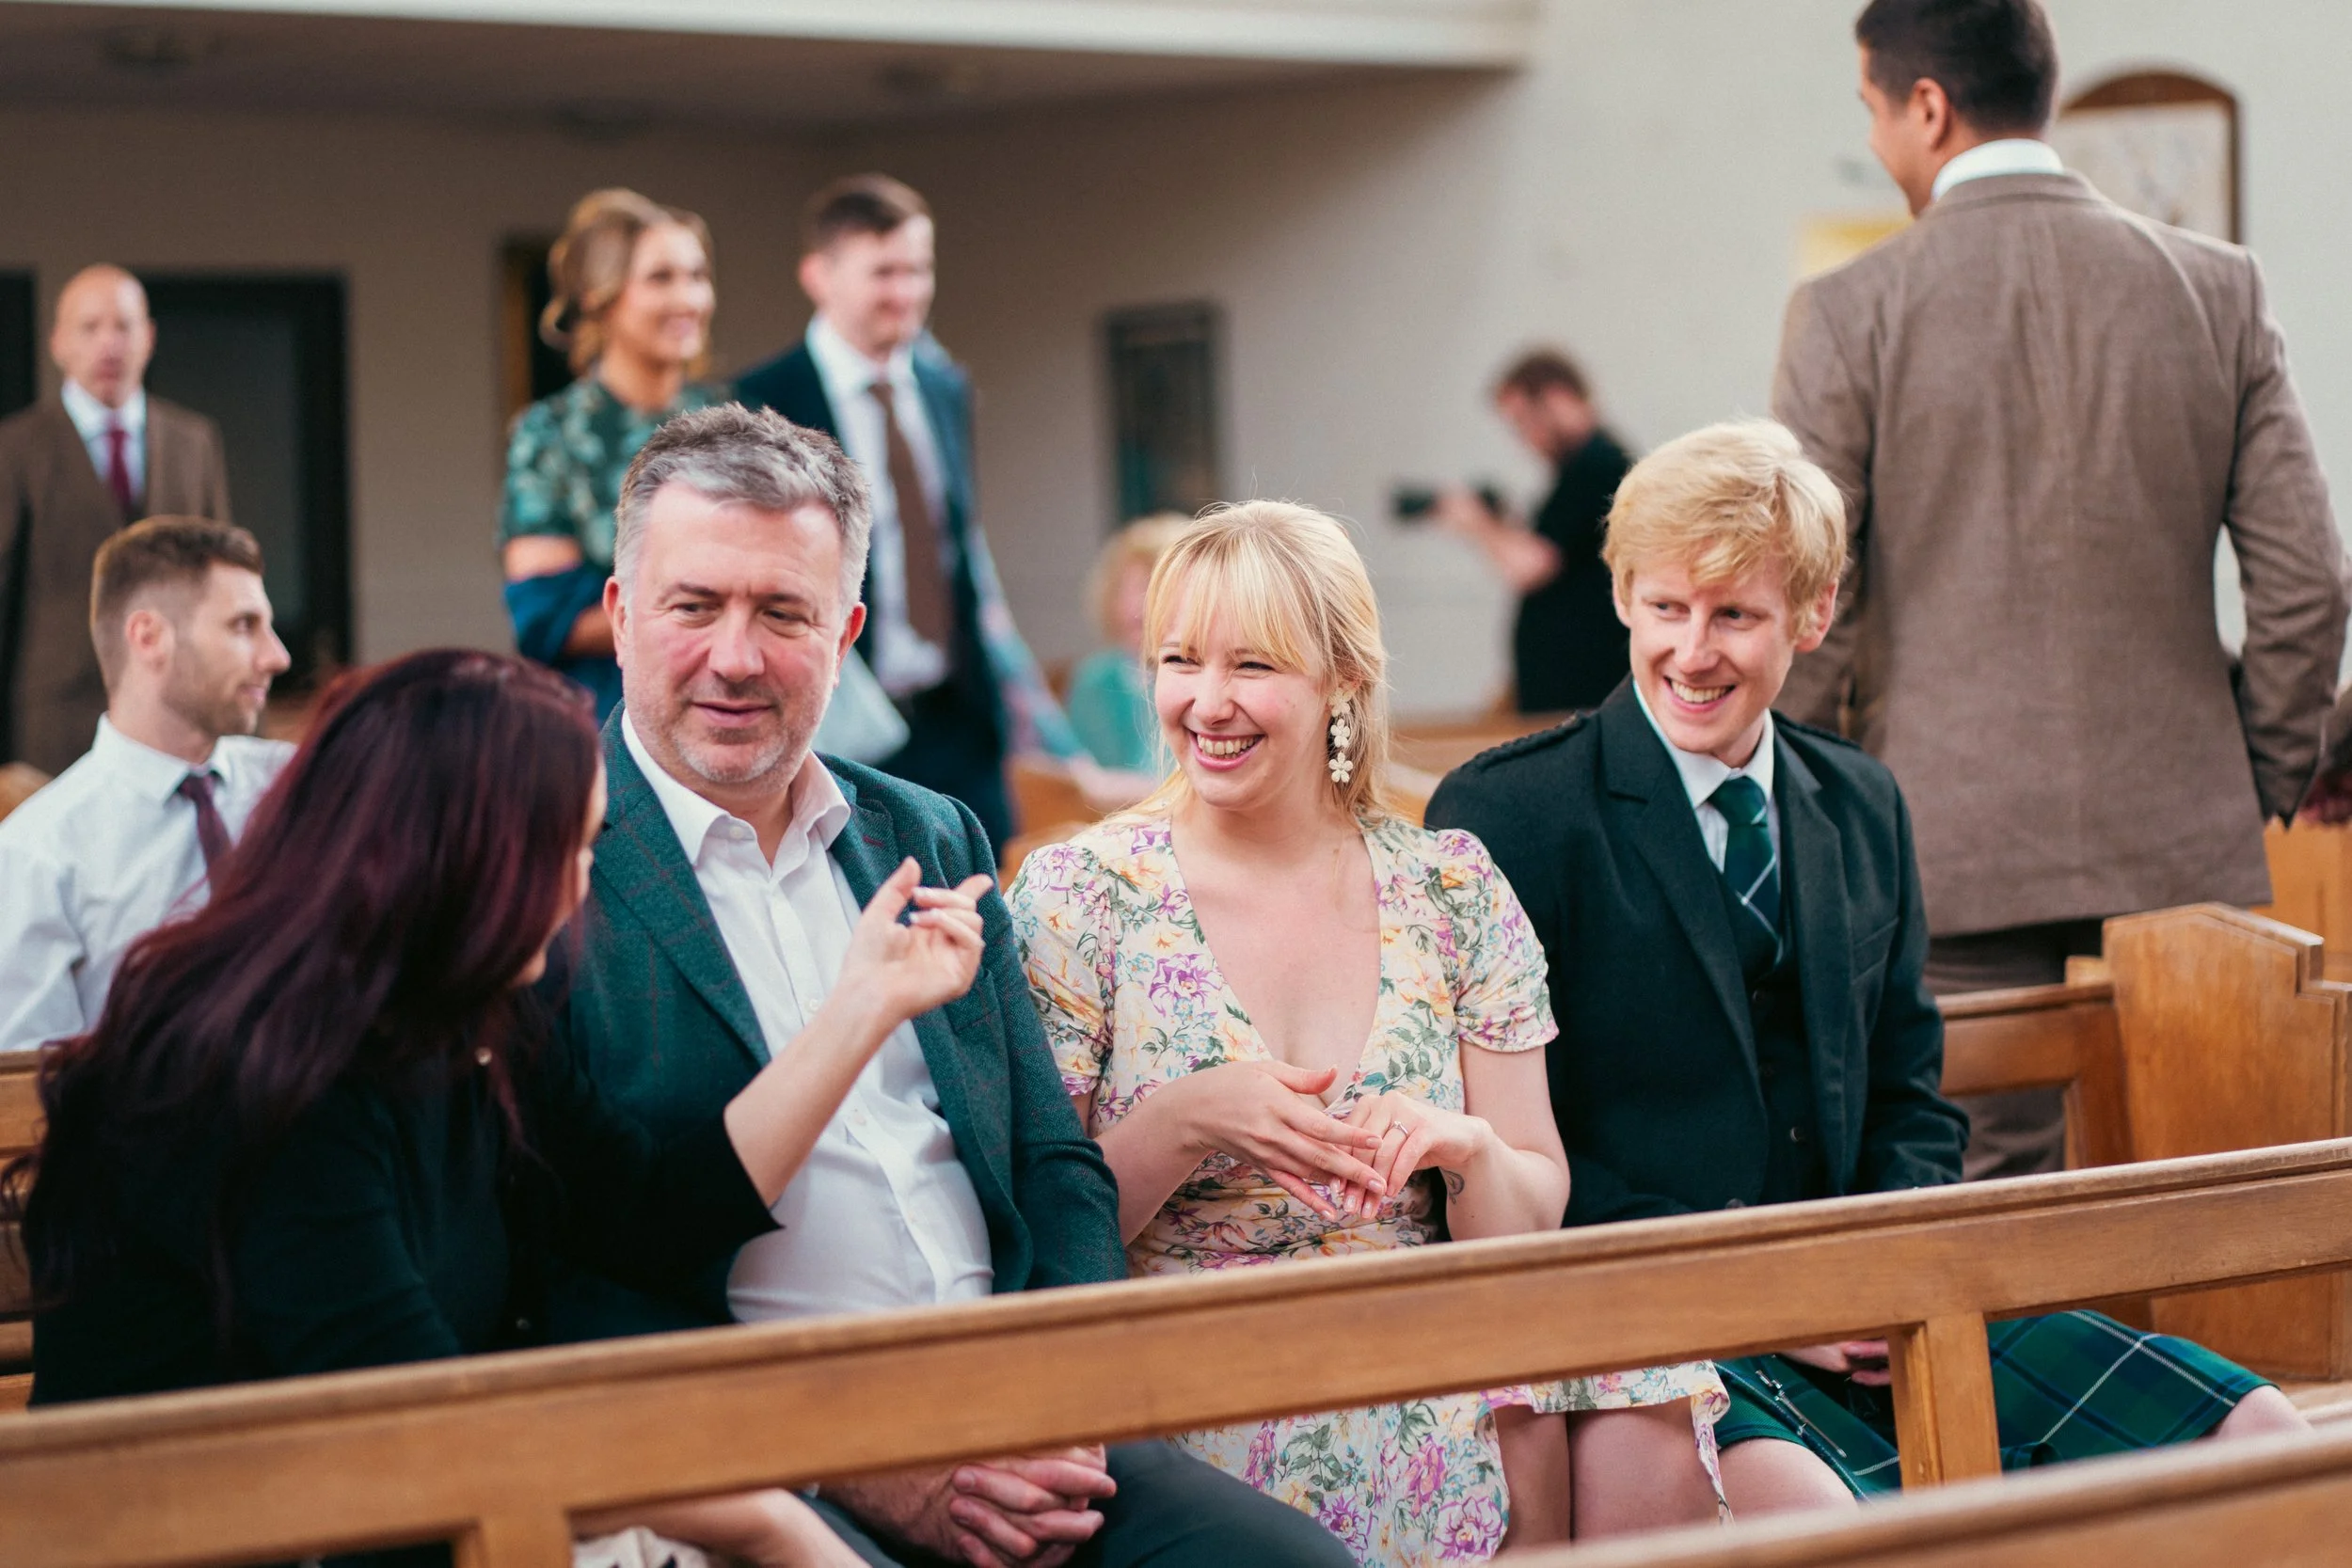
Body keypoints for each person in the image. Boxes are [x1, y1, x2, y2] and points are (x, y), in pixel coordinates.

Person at [1425, 418, 2309, 1518]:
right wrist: (1776, 1294)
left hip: (1881, 1306)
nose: (1692, 651)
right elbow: (1512, 1152)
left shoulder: (1860, 802)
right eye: (1666, 608)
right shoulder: (1508, 814)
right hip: (1658, 1331)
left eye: (1734, 614)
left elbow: (1909, 1092)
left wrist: (1891, 1279)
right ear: (1620, 597)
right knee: (1831, 1524)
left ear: (1813, 610)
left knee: (2259, 1438)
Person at [542, 404, 1352, 1568]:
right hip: (750, 1462)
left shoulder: (924, 830)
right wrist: (857, 1459)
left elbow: (1052, 1161)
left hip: (1022, 1408)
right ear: (621, 616)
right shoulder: (556, 860)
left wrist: (1064, 1404)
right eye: (693, 604)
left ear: (848, 631)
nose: (735, 655)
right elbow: (575, 1263)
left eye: (783, 612)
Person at [1, 645, 1012, 1564]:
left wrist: (864, 1005)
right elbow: (425, 1436)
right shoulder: (262, 1084)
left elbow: (649, 1212)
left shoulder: (470, 1020)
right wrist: (768, 1516)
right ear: (453, 860)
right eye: (564, 854)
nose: (583, 894)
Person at [1008, 501, 1725, 1560]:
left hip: (1422, 1316)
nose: (1206, 702)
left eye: (1251, 664)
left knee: (1631, 1359)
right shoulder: (1081, 894)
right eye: (1177, 660)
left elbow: (1530, 1205)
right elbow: (1033, 1237)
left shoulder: (1451, 885)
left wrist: (1462, 1146)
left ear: (1342, 678)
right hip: (1184, 1343)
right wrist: (1187, 1117)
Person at [1770, 0, 2349, 1177]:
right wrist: (2247, 777)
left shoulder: (1848, 309)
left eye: (1874, 111)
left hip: (1945, 837)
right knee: (2208, 1199)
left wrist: (1813, 809)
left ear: (1926, 106)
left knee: (1994, 1211)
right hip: (2183, 846)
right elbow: (2307, 583)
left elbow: (1802, 603)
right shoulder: (2216, 284)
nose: (1878, 143)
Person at [733, 174, 1105, 847]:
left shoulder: (943, 386)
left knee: (983, 918)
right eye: (883, 273)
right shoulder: (763, 399)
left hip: (959, 720)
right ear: (819, 276)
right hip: (846, 723)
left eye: (918, 270)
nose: (905, 293)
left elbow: (960, 549)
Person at [0, 516, 290, 1055]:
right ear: (149, 637)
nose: (277, 656)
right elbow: (30, 1098)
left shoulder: (297, 788)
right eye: (244, 626)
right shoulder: (38, 855)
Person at [501, 188, 727, 721]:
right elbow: (547, 617)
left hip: (730, 702)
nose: (689, 299)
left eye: (697, 276)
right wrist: (716, 605)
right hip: (608, 723)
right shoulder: (551, 434)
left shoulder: (729, 419)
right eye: (661, 278)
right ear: (602, 297)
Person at [0, 264, 232, 773]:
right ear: (58, 343)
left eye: (123, 326)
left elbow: (222, 584)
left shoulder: (193, 442)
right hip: (54, 722)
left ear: (148, 338)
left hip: (175, 711)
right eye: (90, 327)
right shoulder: (14, 448)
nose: (109, 343)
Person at [1435, 350, 1632, 715]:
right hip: (1570, 696)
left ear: (1558, 398)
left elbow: (1531, 565)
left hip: (1580, 695)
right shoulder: (1585, 467)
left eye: (1525, 421)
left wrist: (1478, 524)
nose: (1525, 438)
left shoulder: (1596, 466)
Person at [1062, 514, 1187, 773]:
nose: (1139, 606)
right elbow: (1080, 774)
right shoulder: (1095, 678)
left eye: (1154, 586)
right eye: (1129, 588)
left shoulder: (1194, 679)